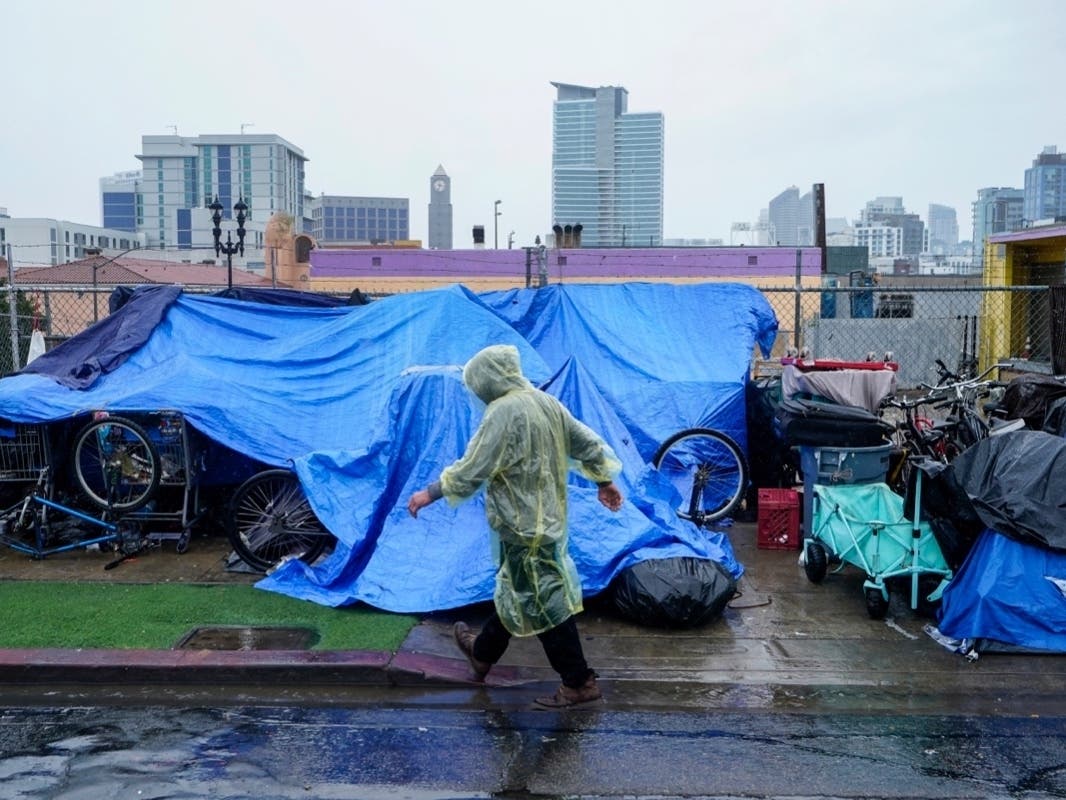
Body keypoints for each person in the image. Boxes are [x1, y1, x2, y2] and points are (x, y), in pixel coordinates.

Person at [407, 344, 624, 708]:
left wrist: (431, 492)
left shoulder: (502, 411)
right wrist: (603, 479)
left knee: (545, 602)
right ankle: (482, 653)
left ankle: (578, 682)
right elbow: (586, 441)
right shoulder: (546, 402)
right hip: (548, 521)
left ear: (488, 381)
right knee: (521, 589)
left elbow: (474, 464)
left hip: (522, 526)